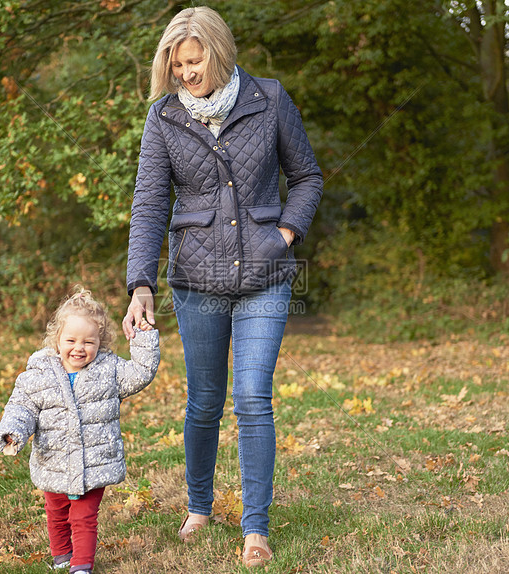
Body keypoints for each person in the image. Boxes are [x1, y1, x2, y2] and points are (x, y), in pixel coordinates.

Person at [122, 6, 322, 568]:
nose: (186, 73)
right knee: (205, 401)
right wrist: (141, 283)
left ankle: (255, 528)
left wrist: (284, 234)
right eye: (176, 64)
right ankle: (200, 505)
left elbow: (306, 175)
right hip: (196, 279)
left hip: (266, 274)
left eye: (194, 60)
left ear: (220, 51)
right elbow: (149, 204)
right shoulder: (163, 119)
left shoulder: (271, 99)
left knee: (253, 396)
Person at [0, 285, 159, 574]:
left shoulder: (109, 370)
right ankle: (61, 557)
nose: (79, 348)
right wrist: (14, 431)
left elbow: (141, 373)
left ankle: (81, 565)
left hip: (93, 463)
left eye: (88, 342)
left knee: (84, 516)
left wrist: (143, 335)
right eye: (71, 340)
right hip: (54, 461)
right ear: (56, 340)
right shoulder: (40, 373)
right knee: (57, 514)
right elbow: (21, 406)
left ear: (101, 342)